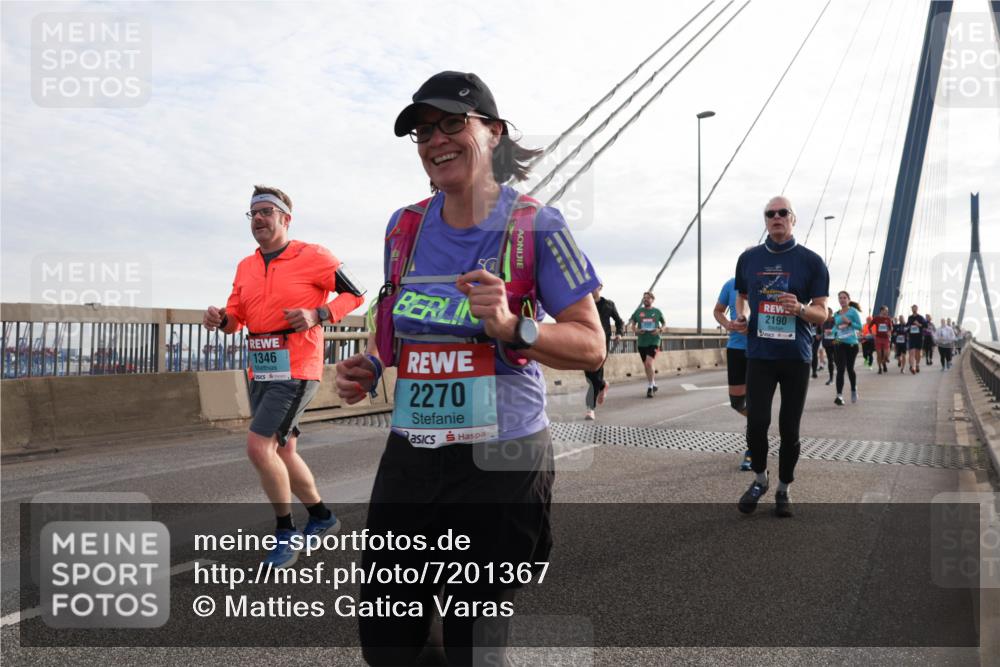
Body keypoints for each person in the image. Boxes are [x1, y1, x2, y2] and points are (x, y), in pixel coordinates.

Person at [335, 70, 605, 666]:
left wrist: (514, 328)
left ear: (494, 131)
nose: (437, 140)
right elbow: (403, 326)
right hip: (415, 453)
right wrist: (372, 364)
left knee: (472, 645)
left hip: (500, 460)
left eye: (453, 122)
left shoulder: (537, 224)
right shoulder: (403, 227)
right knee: (386, 638)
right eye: (424, 131)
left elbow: (592, 344)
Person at [203, 185, 365, 568]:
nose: (258, 218)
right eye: (253, 213)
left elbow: (354, 295)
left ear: (284, 219)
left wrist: (318, 314)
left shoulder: (313, 256)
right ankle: (322, 516)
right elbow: (235, 318)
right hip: (260, 365)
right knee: (284, 450)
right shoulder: (245, 265)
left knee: (259, 448)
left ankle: (285, 530)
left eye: (266, 212)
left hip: (297, 366)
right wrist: (220, 319)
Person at [733, 196, 829, 518]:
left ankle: (784, 488)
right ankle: (760, 479)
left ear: (793, 219)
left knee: (789, 429)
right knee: (756, 424)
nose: (776, 217)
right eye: (770, 214)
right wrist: (742, 316)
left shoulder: (812, 262)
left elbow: (822, 313)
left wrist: (800, 308)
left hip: (796, 358)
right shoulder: (748, 259)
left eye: (782, 213)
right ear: (765, 220)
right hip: (759, 354)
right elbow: (742, 295)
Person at [713, 276, 751, 470]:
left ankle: (752, 450)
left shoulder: (771, 282)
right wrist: (728, 324)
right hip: (736, 347)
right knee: (737, 402)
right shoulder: (731, 284)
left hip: (762, 349)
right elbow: (718, 311)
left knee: (756, 399)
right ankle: (758, 421)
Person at [584, 284, 623, 420]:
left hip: (602, 344)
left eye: (593, 286)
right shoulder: (584, 304)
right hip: (586, 343)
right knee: (590, 376)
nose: (590, 288)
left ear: (600, 287)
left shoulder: (608, 304)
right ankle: (603, 385)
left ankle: (590, 409)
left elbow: (619, 322)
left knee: (594, 376)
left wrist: (619, 333)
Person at [630, 291, 665, 398]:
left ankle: (650, 387)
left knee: (649, 363)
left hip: (654, 341)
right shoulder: (638, 312)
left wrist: (659, 330)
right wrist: (636, 330)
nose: (645, 299)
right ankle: (653, 383)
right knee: (646, 365)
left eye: (648, 298)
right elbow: (632, 324)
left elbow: (664, 324)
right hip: (642, 342)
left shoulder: (657, 312)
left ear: (652, 300)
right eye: (644, 298)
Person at [832, 292, 862, 405]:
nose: (842, 300)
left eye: (844, 298)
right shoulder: (837, 314)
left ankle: (853, 389)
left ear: (849, 300)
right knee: (840, 369)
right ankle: (839, 395)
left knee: (850, 369)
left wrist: (849, 323)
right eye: (840, 298)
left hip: (852, 344)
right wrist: (834, 331)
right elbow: (836, 327)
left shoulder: (853, 312)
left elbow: (860, 327)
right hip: (839, 343)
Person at [871, 305, 894, 375]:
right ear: (881, 311)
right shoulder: (876, 318)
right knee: (879, 354)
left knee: (886, 354)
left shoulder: (888, 319)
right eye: (885, 310)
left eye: (887, 311)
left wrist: (889, 332)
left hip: (886, 338)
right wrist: (873, 334)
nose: (887, 312)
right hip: (878, 338)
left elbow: (891, 328)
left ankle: (884, 362)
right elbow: (870, 326)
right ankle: (880, 368)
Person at [906, 305, 928, 374]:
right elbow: (907, 326)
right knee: (911, 353)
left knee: (918, 353)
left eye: (915, 308)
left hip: (919, 337)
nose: (914, 309)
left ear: (917, 309)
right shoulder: (910, 318)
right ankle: (913, 367)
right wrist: (907, 328)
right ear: (911, 309)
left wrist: (918, 324)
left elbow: (925, 326)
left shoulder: (921, 317)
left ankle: (917, 364)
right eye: (913, 308)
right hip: (912, 337)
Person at [821, 307, 837, 385]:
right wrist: (819, 335)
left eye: (829, 313)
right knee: (830, 361)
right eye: (827, 313)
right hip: (827, 344)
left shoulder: (836, 321)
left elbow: (840, 332)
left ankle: (839, 375)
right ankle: (831, 379)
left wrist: (836, 341)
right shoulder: (823, 322)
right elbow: (819, 331)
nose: (828, 314)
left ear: (831, 313)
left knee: (837, 360)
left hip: (836, 344)